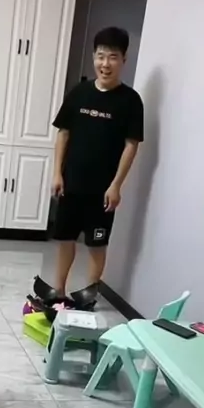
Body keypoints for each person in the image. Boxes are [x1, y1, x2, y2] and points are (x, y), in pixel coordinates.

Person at [52, 26, 144, 297]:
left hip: (103, 191)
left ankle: (87, 296)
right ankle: (59, 290)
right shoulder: (79, 93)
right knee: (65, 239)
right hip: (71, 183)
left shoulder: (131, 101)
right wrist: (57, 173)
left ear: (124, 59)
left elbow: (131, 145)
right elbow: (63, 133)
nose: (105, 63)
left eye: (113, 57)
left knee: (96, 244)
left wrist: (116, 185)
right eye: (101, 56)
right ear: (94, 57)